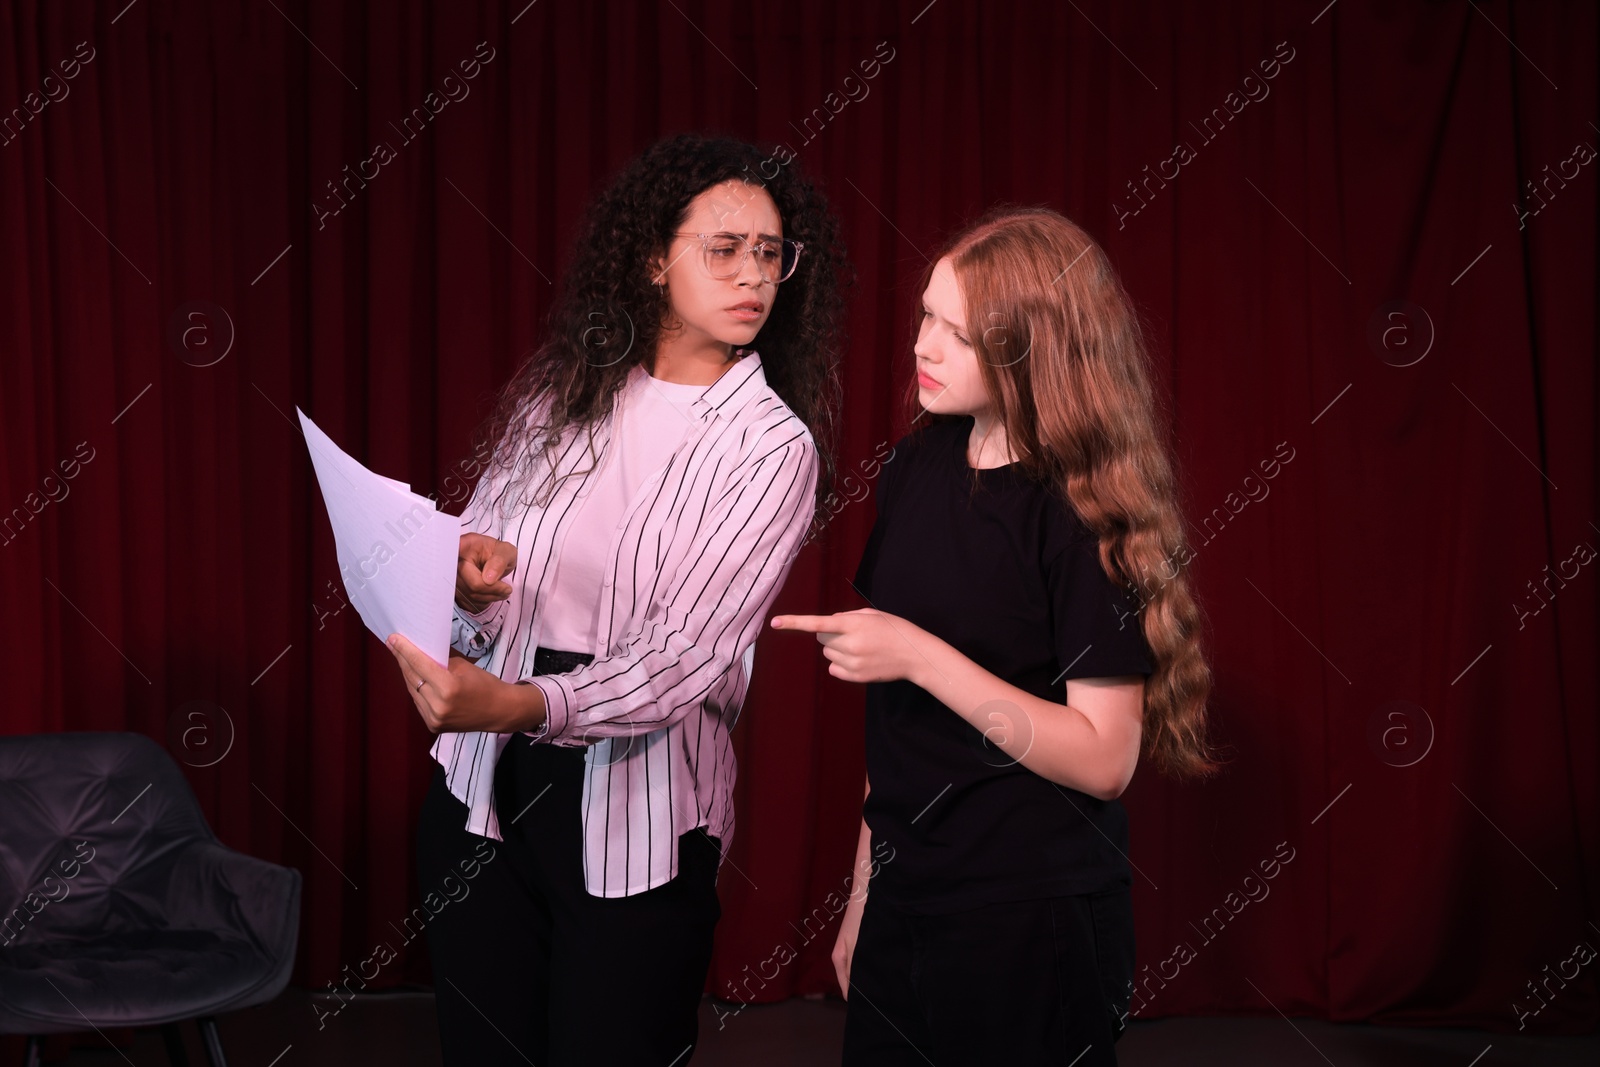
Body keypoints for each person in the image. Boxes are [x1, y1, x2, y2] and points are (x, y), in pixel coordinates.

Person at [384, 132, 847, 1066]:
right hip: (479, 786)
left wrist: (521, 703)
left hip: (638, 815)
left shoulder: (770, 447)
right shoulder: (566, 393)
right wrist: (468, 588)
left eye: (770, 252)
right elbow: (472, 581)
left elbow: (684, 660)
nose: (754, 274)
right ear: (652, 256)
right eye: (724, 248)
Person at [772, 206, 1218, 1065]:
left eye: (961, 335)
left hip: (1031, 915)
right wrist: (865, 895)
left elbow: (1105, 758)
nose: (924, 348)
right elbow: (896, 729)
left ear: (1034, 350)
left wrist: (921, 655)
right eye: (926, 318)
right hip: (909, 899)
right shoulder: (913, 467)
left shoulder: (1080, 511)